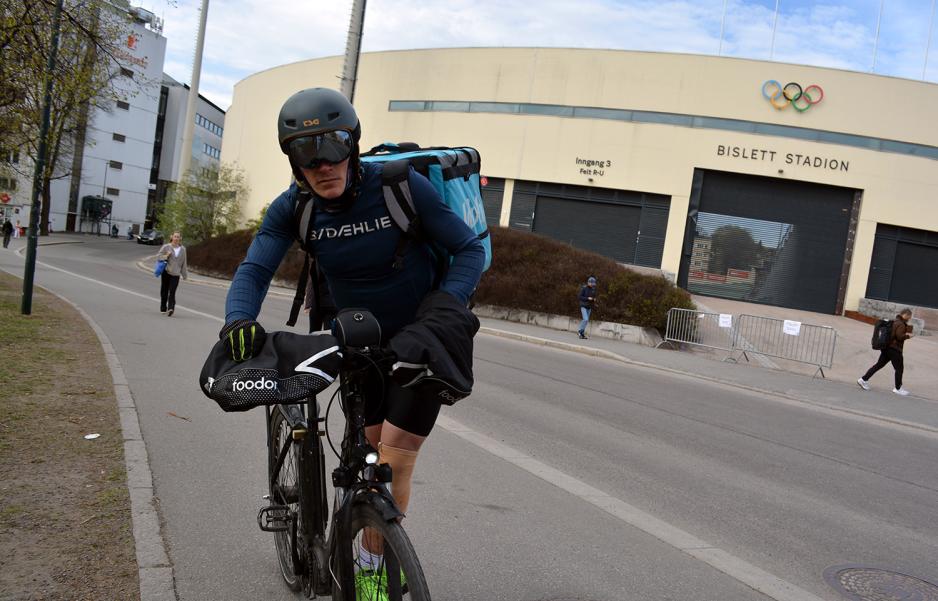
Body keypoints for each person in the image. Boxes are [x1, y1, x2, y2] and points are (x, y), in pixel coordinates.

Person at [221, 87, 484, 597]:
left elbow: (468, 249)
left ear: (353, 144)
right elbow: (254, 269)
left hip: (422, 340)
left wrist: (442, 311)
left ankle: (368, 568)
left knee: (395, 456)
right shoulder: (294, 207)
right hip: (356, 343)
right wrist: (238, 321)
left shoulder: (400, 187)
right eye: (306, 152)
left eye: (334, 145)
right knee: (365, 450)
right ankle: (347, 525)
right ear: (293, 160)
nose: (323, 164)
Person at [858, 308, 914, 396]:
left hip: (886, 348)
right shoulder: (901, 324)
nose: (909, 318)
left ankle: (863, 379)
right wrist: (908, 336)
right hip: (895, 349)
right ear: (905, 315)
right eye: (909, 316)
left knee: (879, 365)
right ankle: (898, 388)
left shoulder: (894, 321)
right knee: (899, 369)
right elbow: (899, 336)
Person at [157, 231, 188, 316]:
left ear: (180, 238)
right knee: (164, 291)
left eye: (178, 237)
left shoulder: (183, 249)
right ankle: (163, 307)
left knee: (172, 291)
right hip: (166, 272)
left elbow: (184, 262)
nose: (176, 238)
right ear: (172, 237)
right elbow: (158, 257)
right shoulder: (166, 247)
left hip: (176, 274)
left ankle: (171, 308)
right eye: (175, 236)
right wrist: (166, 255)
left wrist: (184, 275)